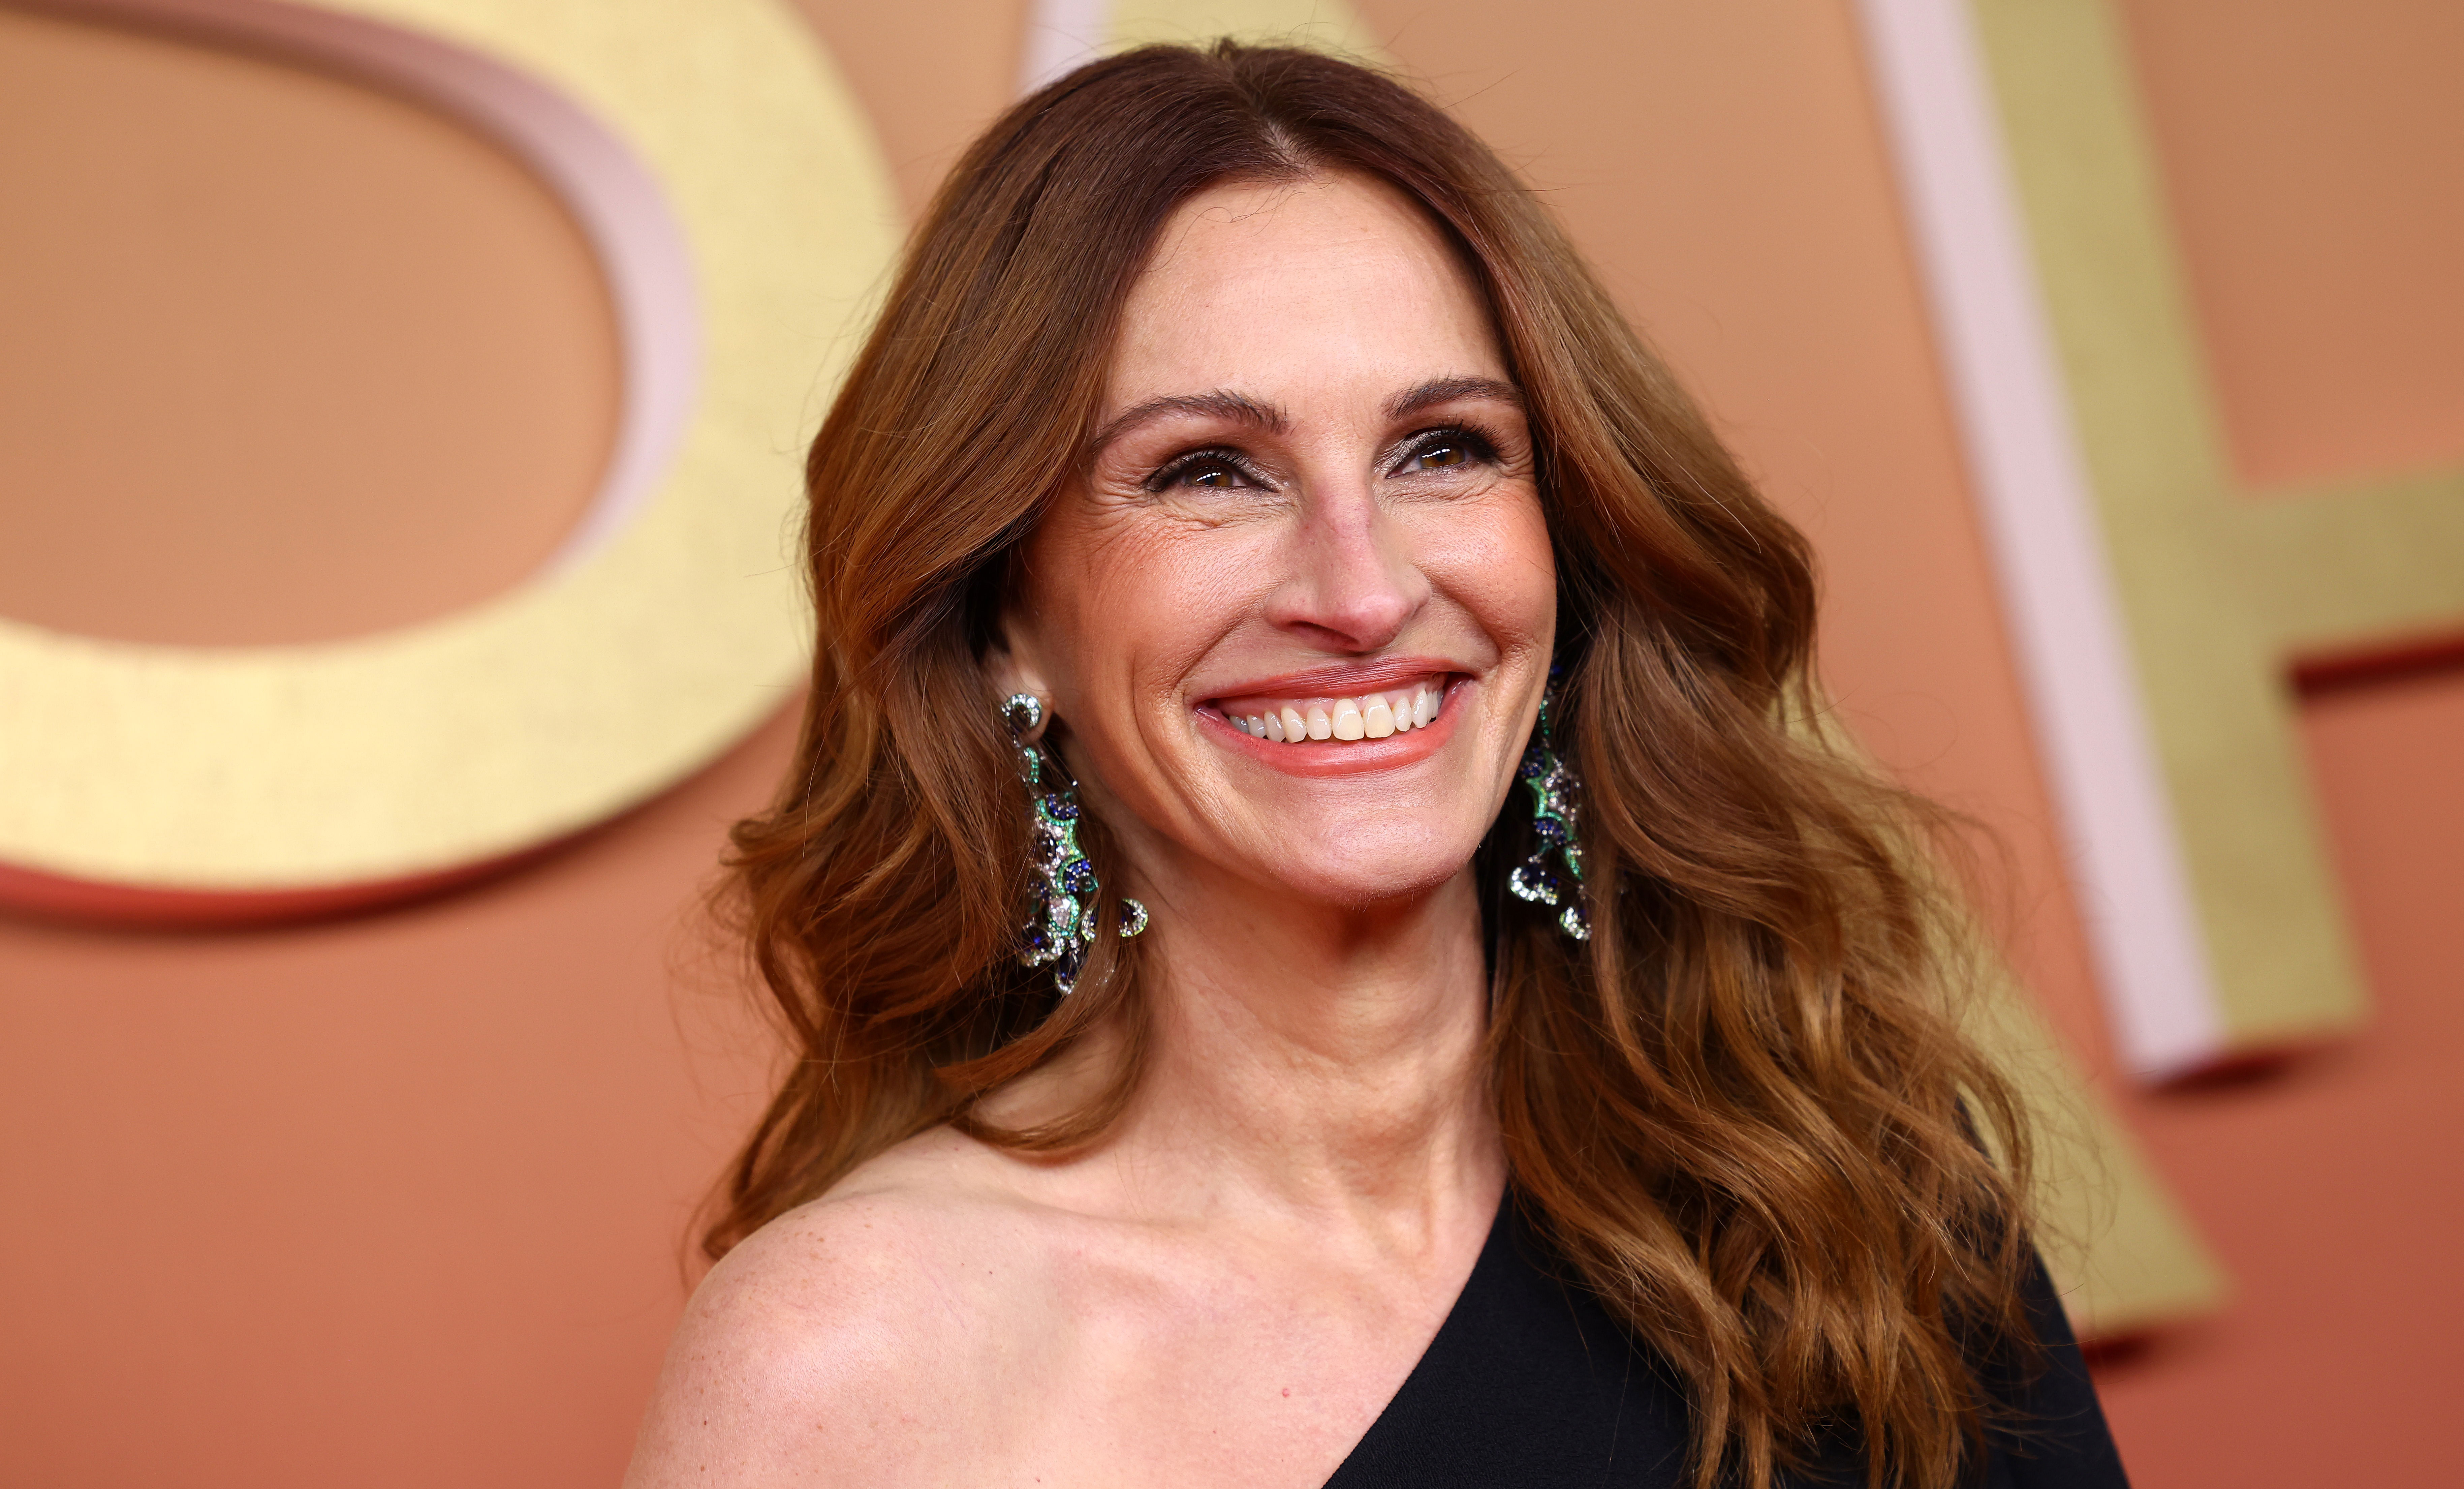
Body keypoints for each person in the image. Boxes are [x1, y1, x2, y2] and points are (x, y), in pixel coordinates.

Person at [626, 40, 2126, 1489]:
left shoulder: (1840, 1189)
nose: (1360, 592)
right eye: (1207, 470)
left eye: (1443, 449)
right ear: (1004, 620)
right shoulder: (851, 1365)